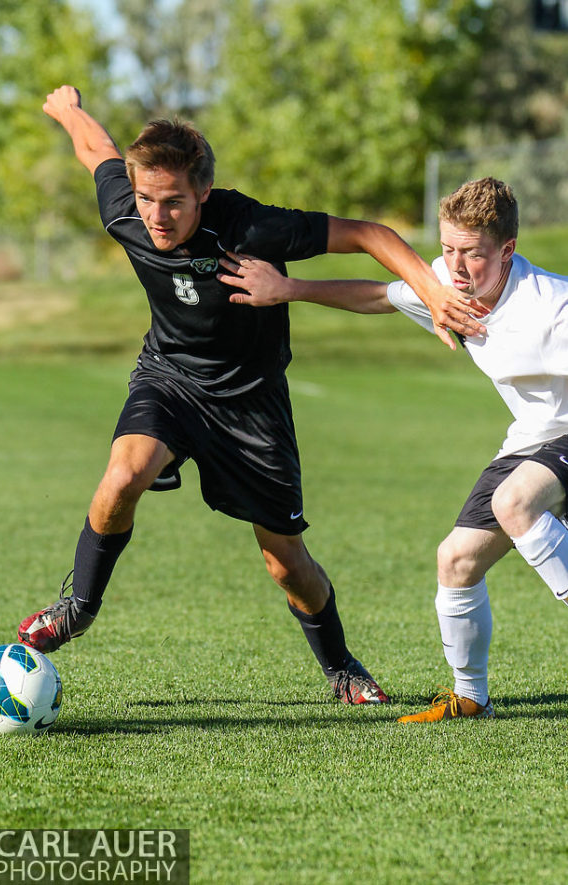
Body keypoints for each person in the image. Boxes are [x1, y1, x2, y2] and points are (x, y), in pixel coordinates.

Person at [18, 84, 485, 707]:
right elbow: (95, 148)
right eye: (146, 199)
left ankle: (340, 664)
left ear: (204, 193)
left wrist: (431, 291)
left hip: (252, 402)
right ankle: (78, 606)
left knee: (285, 561)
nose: (156, 216)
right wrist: (67, 110)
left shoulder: (253, 227)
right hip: (171, 377)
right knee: (123, 474)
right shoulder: (125, 210)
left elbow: (369, 233)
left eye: (174, 203)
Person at [218, 176, 568, 721]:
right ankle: (472, 699)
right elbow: (380, 295)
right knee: (455, 561)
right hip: (533, 439)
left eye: (471, 254)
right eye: (447, 248)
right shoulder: (446, 290)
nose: (454, 266)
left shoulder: (553, 309)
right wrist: (290, 289)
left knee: (514, 502)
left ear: (508, 250)